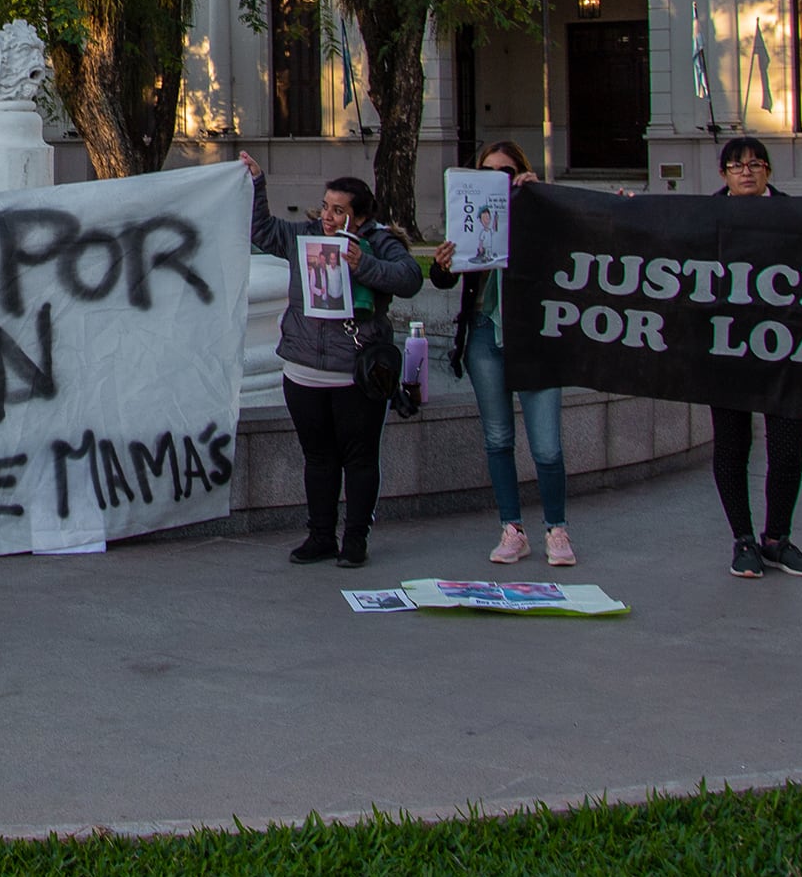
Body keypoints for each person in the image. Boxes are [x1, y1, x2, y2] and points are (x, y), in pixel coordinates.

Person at [238, 150, 423, 569]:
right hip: (303, 370)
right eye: (325, 207)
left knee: (358, 459)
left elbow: (410, 278)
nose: (328, 216)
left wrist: (365, 265)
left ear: (358, 218)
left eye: (339, 211)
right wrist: (257, 183)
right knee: (318, 458)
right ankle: (320, 535)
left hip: (355, 374)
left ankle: (355, 539)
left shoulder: (378, 242)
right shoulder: (305, 236)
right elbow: (262, 233)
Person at [429, 139, 570, 567]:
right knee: (498, 438)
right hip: (485, 334)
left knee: (546, 445)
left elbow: (569, 252)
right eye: (488, 173)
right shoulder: (470, 215)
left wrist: (539, 198)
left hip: (534, 338)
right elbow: (443, 281)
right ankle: (512, 528)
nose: (498, 181)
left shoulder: (539, 212)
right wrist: (441, 264)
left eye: (506, 172)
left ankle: (557, 529)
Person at [710, 136, 802, 579]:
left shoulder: (797, 218)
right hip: (727, 349)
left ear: (768, 171)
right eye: (737, 166)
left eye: (756, 164)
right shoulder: (701, 218)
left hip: (786, 351)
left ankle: (777, 539)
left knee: (788, 450)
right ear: (724, 175)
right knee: (733, 446)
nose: (747, 172)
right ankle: (742, 539)